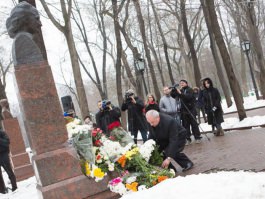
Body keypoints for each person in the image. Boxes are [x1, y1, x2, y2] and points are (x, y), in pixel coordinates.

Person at [171, 80, 202, 144]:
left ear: (186, 83)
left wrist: (180, 93)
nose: (181, 84)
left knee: (194, 124)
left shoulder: (190, 90)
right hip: (183, 111)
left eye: (183, 83)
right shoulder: (180, 90)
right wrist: (174, 89)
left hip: (191, 110)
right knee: (185, 126)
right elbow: (173, 95)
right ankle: (188, 138)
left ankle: (197, 137)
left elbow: (188, 97)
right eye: (180, 83)